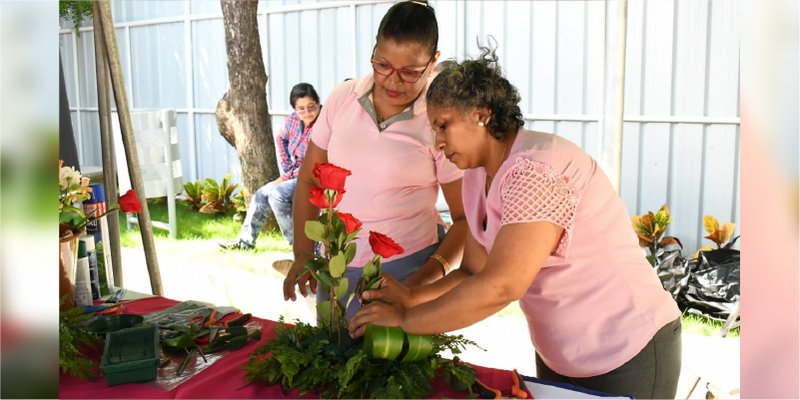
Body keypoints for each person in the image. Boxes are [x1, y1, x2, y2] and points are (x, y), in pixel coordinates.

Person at [348, 44, 683, 399]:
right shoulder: (479, 175)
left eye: (443, 126)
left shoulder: (536, 170)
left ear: (481, 114)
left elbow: (502, 286)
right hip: (561, 355)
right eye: (433, 129)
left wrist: (405, 321)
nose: (438, 142)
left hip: (628, 351)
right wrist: (411, 296)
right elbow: (473, 272)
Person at [283, 0, 467, 320]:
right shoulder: (343, 97)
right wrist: (302, 254)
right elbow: (311, 179)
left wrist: (420, 284)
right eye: (382, 65)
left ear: (433, 61)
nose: (393, 81)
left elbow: (466, 220)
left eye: (410, 72)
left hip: (407, 270)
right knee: (333, 360)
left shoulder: (440, 120)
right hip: (336, 266)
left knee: (393, 366)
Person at [220, 83, 321, 251]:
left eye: (311, 107)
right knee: (261, 194)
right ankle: (245, 243)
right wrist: (287, 167)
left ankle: (302, 248)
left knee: (278, 194)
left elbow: (315, 162)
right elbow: (281, 139)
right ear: (294, 109)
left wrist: (287, 176)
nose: (307, 113)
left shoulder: (323, 125)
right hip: (294, 174)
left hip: (314, 176)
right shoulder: (293, 120)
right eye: (301, 109)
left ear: (318, 103)